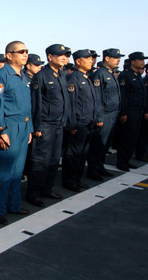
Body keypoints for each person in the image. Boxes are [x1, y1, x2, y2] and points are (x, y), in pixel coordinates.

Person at [0, 41, 33, 225]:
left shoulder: (23, 76)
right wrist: (1, 130)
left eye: (26, 51)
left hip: (24, 126)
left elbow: (27, 105)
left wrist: (30, 129)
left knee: (17, 170)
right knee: (3, 170)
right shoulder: (1, 76)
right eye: (20, 51)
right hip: (10, 127)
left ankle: (13, 205)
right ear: (8, 55)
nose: (25, 54)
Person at [26, 44, 70, 207]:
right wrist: (36, 127)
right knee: (40, 160)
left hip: (58, 124)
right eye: (61, 55)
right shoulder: (42, 76)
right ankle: (34, 192)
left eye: (66, 55)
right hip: (45, 124)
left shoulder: (62, 75)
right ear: (50, 57)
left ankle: (47, 189)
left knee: (53, 159)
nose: (65, 58)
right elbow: (36, 104)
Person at [62, 49, 101, 192]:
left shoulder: (86, 78)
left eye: (91, 59)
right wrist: (72, 124)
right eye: (87, 58)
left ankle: (77, 179)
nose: (91, 61)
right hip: (78, 124)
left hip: (88, 122)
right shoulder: (74, 79)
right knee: (73, 154)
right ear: (78, 61)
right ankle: (69, 180)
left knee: (82, 154)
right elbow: (71, 104)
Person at [87, 49, 123, 180]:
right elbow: (97, 98)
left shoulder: (110, 73)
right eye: (115, 57)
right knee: (98, 144)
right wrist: (99, 117)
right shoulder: (100, 74)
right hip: (105, 115)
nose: (118, 60)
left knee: (105, 144)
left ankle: (100, 166)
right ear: (107, 58)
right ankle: (93, 170)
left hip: (113, 114)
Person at [116, 52, 148, 171]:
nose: (143, 62)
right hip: (130, 112)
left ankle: (127, 160)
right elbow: (123, 96)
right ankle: (122, 162)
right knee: (126, 138)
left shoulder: (138, 76)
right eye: (140, 60)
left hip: (138, 111)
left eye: (143, 60)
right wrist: (123, 112)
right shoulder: (126, 76)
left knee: (133, 138)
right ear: (133, 61)